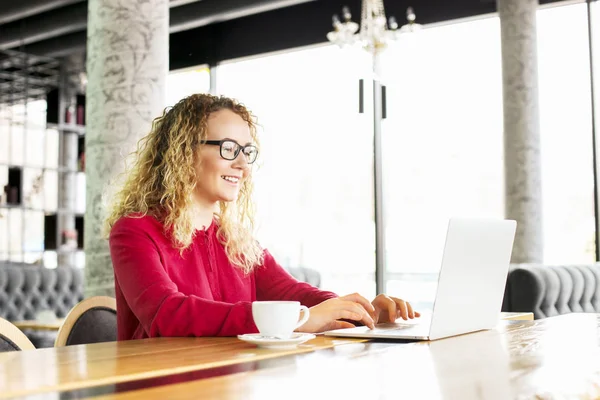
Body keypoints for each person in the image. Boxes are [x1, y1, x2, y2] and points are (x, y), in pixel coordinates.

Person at [105, 93, 419, 340]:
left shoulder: (234, 238)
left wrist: (354, 310)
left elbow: (291, 291)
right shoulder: (134, 231)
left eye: (248, 151)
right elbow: (166, 315)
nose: (243, 164)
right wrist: (301, 320)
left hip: (230, 382)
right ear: (184, 152)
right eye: (229, 148)